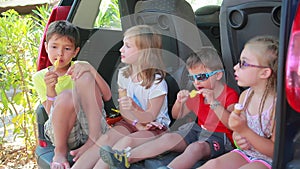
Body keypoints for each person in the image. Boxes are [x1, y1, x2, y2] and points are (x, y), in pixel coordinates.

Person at [100, 47, 239, 169]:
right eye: (192, 78)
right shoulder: (197, 95)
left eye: (202, 77)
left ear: (218, 75)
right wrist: (180, 102)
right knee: (169, 138)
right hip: (197, 130)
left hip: (221, 137)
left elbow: (232, 124)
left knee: (196, 148)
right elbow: (177, 115)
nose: (196, 83)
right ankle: (126, 157)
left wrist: (214, 103)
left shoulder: (229, 95)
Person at [71, 24, 170, 169]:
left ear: (144, 52)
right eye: (123, 44)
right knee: (106, 139)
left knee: (125, 143)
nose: (121, 49)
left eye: (128, 46)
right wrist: (136, 123)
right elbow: (123, 110)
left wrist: (139, 119)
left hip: (154, 127)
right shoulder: (123, 75)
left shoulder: (157, 83)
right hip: (132, 122)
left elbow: (150, 116)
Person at [32, 20, 111, 169]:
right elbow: (50, 113)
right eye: (54, 47)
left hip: (91, 126)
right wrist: (50, 89)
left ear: (75, 52)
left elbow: (106, 96)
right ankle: (60, 151)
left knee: (86, 76)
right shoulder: (40, 77)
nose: (60, 53)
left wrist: (90, 68)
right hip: (64, 133)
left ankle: (94, 141)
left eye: (67, 48)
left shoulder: (80, 67)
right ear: (46, 47)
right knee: (67, 96)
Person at [199, 36, 278, 169]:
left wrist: (244, 131)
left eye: (244, 64)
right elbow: (237, 134)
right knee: (213, 165)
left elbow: (275, 151)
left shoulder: (276, 106)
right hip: (245, 153)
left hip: (267, 160)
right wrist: (238, 138)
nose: (235, 67)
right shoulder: (244, 97)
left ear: (264, 73)